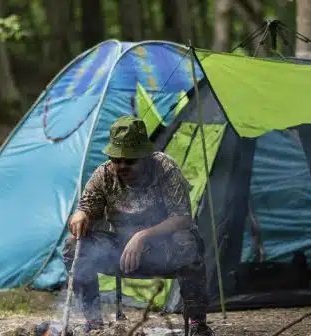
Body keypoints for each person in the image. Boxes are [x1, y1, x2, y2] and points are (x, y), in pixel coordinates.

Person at [62, 116, 214, 335]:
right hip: (119, 252)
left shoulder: (165, 168)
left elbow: (183, 217)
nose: (122, 165)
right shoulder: (104, 175)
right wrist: (80, 215)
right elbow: (87, 207)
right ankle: (93, 322)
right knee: (73, 246)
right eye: (116, 159)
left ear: (144, 156)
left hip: (163, 250)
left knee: (187, 242)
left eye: (130, 161)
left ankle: (196, 323)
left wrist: (143, 236)